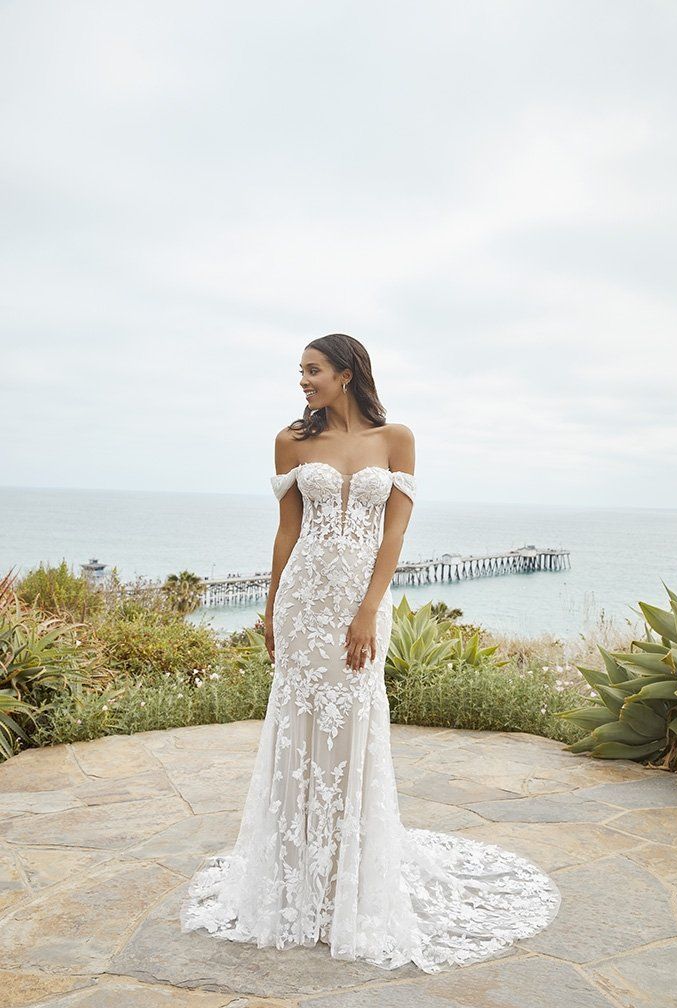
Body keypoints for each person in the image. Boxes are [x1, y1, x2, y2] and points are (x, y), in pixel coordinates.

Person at [180, 333, 561, 972]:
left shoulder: (397, 439)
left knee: (352, 725)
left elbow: (397, 530)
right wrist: (273, 608)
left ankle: (350, 880)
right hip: (305, 603)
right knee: (300, 730)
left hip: (360, 604)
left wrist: (366, 610)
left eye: (313, 371)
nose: (302, 381)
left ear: (348, 373)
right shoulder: (291, 442)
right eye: (300, 372)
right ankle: (295, 878)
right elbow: (286, 533)